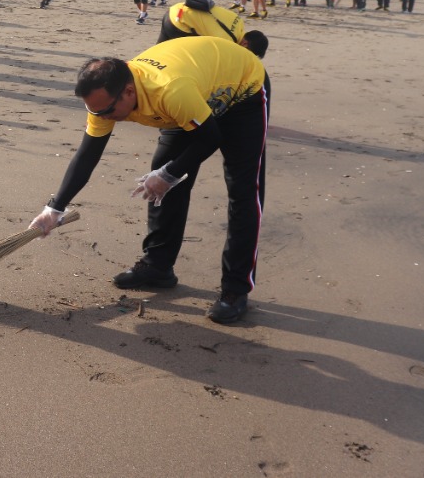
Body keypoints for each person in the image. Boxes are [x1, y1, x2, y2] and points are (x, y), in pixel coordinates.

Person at [29, 37, 270, 325]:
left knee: (243, 190)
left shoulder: (169, 90)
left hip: (241, 91)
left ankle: (235, 289)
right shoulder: (104, 101)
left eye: (106, 112)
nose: (102, 117)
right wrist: (55, 208)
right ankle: (158, 266)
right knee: (162, 178)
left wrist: (169, 175)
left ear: (128, 92)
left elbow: (210, 138)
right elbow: (88, 154)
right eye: (95, 112)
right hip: (191, 99)